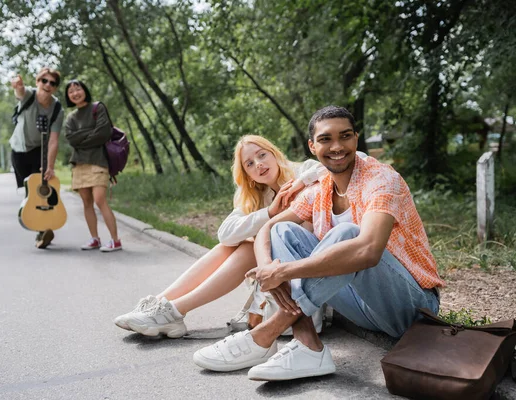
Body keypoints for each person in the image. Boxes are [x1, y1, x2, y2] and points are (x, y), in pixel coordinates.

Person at [193, 106, 445, 381]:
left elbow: (368, 251)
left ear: (356, 139)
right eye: (326, 139)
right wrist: (268, 271)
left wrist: (285, 272)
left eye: (345, 136)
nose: (337, 146)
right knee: (283, 232)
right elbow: (267, 229)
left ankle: (264, 334)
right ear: (313, 147)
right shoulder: (321, 187)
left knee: (349, 234)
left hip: (410, 308)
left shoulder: (381, 178)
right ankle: (308, 347)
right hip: (360, 307)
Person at [113, 135, 330, 338]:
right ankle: (160, 304)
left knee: (248, 246)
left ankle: (174, 311)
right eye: (250, 164)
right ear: (248, 175)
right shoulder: (258, 197)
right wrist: (269, 212)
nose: (259, 164)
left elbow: (329, 169)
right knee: (232, 245)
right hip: (281, 271)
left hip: (310, 270)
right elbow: (225, 235)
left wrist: (299, 185)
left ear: (274, 153)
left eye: (262, 155)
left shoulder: (304, 170)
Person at [64, 79, 122, 252]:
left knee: (99, 200)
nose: (75, 93)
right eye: (71, 91)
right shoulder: (71, 117)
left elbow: (103, 133)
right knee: (87, 202)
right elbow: (71, 139)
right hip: (79, 164)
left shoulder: (98, 108)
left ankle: (115, 240)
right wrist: (90, 135)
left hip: (98, 161)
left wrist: (83, 138)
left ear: (85, 90)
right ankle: (95, 239)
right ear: (68, 96)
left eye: (78, 89)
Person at [9, 68, 64, 249]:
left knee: (41, 187)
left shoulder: (57, 108)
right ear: (38, 82)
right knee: (28, 191)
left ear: (55, 87)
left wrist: (50, 166)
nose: (48, 85)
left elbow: (54, 140)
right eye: (44, 81)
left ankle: (43, 230)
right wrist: (17, 85)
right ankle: (39, 226)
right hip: (19, 149)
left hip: (40, 149)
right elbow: (20, 91)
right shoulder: (29, 96)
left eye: (52, 83)